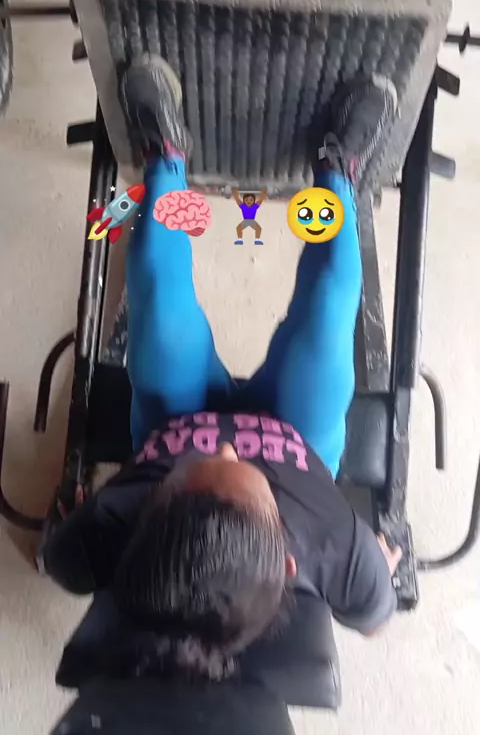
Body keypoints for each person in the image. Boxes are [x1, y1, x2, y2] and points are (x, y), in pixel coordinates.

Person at [43, 57, 402, 682]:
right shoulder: (335, 551)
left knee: (158, 292)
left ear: (145, 521)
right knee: (329, 307)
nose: (230, 451)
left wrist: (69, 515)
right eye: (245, 477)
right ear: (289, 564)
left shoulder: (107, 533)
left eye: (189, 477)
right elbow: (375, 616)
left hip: (175, 418)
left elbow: (61, 558)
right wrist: (380, 567)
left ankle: (165, 159)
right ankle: (337, 169)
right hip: (299, 434)